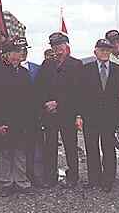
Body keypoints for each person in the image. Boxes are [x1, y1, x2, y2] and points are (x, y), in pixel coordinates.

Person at [0, 40, 34, 197]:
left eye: (19, 53)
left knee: (20, 152)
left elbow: (29, 100)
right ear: (5, 55)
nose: (18, 56)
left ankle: (20, 181)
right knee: (3, 153)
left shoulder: (25, 74)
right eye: (14, 53)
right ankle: (5, 182)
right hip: (2, 121)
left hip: (21, 121)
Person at [35, 32, 83, 188]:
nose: (58, 49)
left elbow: (77, 91)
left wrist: (58, 103)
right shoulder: (46, 65)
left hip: (67, 112)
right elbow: (39, 88)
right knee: (50, 146)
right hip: (49, 113)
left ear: (66, 46)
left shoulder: (76, 65)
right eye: (54, 46)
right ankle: (51, 176)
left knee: (70, 146)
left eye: (60, 46)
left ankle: (73, 176)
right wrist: (46, 103)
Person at [80, 39, 119, 192]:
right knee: (91, 149)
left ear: (110, 52)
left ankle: (108, 180)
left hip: (110, 118)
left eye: (107, 50)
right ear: (95, 52)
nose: (105, 53)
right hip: (90, 117)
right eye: (102, 50)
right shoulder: (85, 69)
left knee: (108, 149)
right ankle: (94, 179)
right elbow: (79, 95)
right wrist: (80, 115)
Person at [15, 36, 44, 186]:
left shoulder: (37, 69)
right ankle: (20, 177)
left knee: (35, 146)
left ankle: (35, 175)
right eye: (19, 50)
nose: (23, 52)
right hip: (17, 115)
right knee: (19, 148)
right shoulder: (9, 70)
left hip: (34, 115)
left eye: (25, 49)